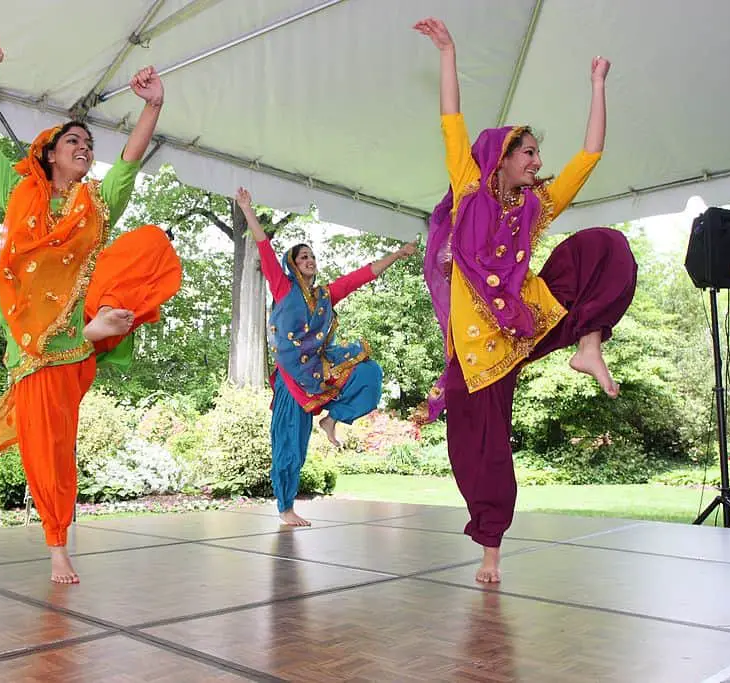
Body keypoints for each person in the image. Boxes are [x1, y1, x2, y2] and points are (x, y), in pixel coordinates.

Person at [413, 18, 637, 583]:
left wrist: (598, 87)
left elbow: (589, 157)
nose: (538, 162)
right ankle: (490, 553)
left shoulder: (536, 208)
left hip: (527, 322)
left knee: (605, 248)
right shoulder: (469, 191)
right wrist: (448, 51)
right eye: (530, 153)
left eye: (539, 154)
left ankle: (589, 345)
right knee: (476, 453)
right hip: (477, 354)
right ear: (504, 157)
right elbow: (451, 122)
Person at [0, 36, 182, 584]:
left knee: (148, 243)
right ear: (50, 152)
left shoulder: (95, 206)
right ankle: (57, 543)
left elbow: (130, 162)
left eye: (89, 142)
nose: (85, 146)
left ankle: (100, 323)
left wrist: (153, 104)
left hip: (77, 347)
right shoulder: (18, 194)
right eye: (74, 140)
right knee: (49, 452)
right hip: (36, 350)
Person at [235, 187, 416, 526]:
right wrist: (247, 209)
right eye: (302, 257)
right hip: (291, 381)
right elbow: (264, 247)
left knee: (369, 373)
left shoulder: (325, 296)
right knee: (291, 446)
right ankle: (285, 508)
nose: (309, 260)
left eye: (312, 257)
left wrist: (397, 254)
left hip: (319, 372)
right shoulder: (282, 287)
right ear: (293, 264)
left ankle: (332, 419)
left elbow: (362, 276)